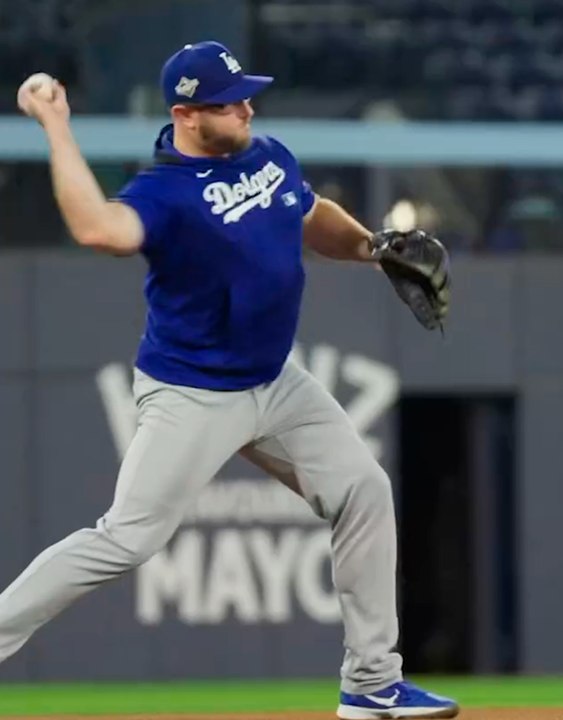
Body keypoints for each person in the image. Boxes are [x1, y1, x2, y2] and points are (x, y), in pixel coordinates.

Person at [4, 41, 459, 720]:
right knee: (125, 539)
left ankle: (370, 684)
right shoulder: (163, 195)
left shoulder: (265, 154)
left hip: (277, 382)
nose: (247, 106)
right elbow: (98, 229)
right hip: (192, 391)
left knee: (364, 489)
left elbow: (311, 217)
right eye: (229, 99)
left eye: (247, 94)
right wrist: (56, 126)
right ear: (187, 114)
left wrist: (371, 246)